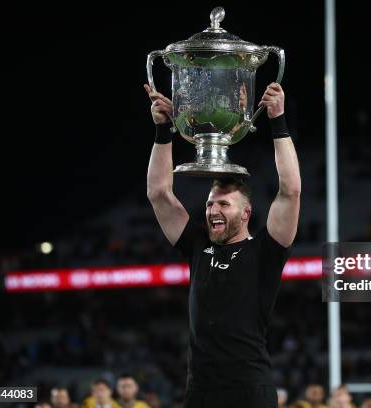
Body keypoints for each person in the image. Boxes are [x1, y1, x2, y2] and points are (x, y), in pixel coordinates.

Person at [144, 79, 300, 408]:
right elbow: (159, 194)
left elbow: (290, 191)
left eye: (223, 204)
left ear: (246, 213)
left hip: (250, 389)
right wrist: (162, 131)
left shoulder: (266, 251)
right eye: (210, 204)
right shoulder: (198, 244)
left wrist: (278, 120)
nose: (213, 209)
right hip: (200, 391)